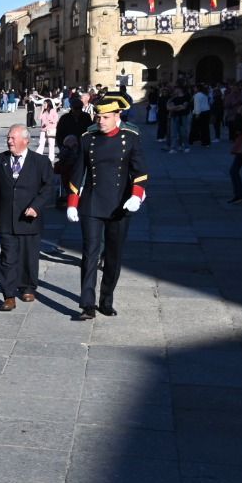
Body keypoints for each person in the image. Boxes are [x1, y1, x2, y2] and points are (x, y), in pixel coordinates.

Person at [65, 95, 148, 320]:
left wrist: (137, 196)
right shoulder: (88, 138)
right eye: (98, 116)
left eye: (105, 117)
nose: (100, 121)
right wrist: (72, 202)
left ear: (117, 116)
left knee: (113, 256)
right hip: (92, 203)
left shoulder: (130, 138)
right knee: (90, 254)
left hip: (119, 204)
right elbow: (77, 172)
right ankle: (87, 304)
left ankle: (106, 300)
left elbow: (140, 172)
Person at [0, 124, 54, 310]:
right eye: (8, 138)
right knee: (8, 257)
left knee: (28, 256)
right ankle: (8, 295)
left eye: (12, 138)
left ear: (26, 140)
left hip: (29, 219)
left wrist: (36, 207)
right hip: (5, 219)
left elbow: (48, 188)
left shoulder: (40, 162)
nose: (9, 141)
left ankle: (27, 287)